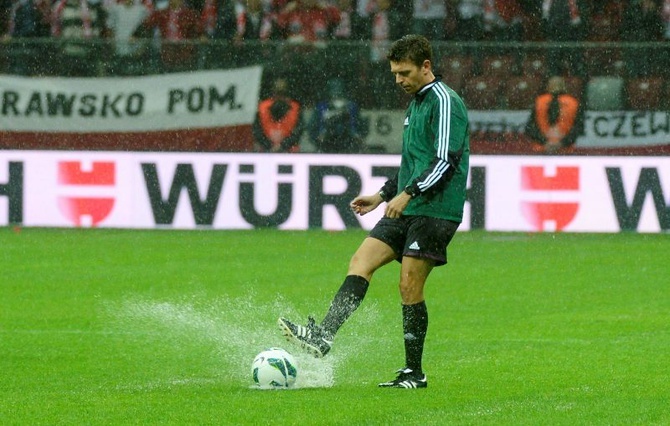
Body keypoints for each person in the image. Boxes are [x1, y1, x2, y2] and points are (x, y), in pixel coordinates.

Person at [278, 34, 470, 389]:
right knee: (361, 262)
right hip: (409, 204)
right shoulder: (416, 103)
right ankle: (323, 336)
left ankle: (414, 373)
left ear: (426, 66)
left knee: (409, 284)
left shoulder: (445, 101)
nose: (399, 80)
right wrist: (382, 194)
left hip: (436, 209)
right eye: (395, 73)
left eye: (405, 72)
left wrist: (408, 193)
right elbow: (413, 162)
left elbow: (446, 159)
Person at [525, 75, 584, 155]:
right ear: (564, 87)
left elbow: (530, 128)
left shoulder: (539, 102)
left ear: (548, 87)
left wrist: (545, 142)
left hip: (541, 151)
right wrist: (562, 143)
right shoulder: (573, 103)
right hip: (565, 152)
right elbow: (578, 128)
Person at [308, 78, 363, 153]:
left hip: (348, 145)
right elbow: (312, 128)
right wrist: (318, 137)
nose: (336, 94)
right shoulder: (321, 107)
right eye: (334, 90)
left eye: (339, 90)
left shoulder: (352, 107)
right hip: (326, 146)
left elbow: (360, 127)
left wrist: (355, 135)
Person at [252, 77, 304, 153]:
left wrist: (274, 146)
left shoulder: (262, 107)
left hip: (285, 152)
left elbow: (298, 132)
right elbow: (257, 131)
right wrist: (280, 146)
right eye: (279, 93)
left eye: (282, 93)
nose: (280, 97)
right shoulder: (295, 108)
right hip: (273, 151)